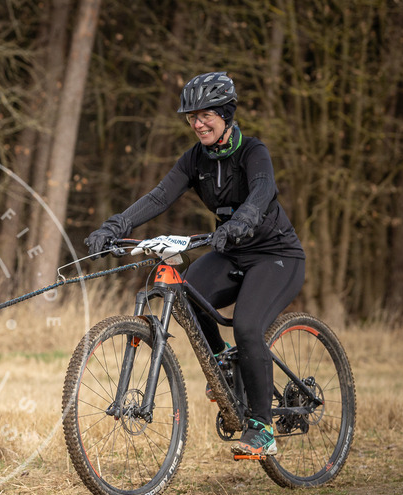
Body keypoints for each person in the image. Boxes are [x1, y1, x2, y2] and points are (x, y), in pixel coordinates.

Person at [84, 71, 305, 458]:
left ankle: (262, 427)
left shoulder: (253, 151)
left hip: (276, 255)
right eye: (192, 117)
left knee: (248, 326)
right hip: (231, 251)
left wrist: (241, 222)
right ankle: (222, 363)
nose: (198, 123)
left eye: (206, 115)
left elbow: (262, 191)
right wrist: (115, 225)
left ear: (226, 113)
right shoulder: (194, 159)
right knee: (187, 294)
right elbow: (158, 198)